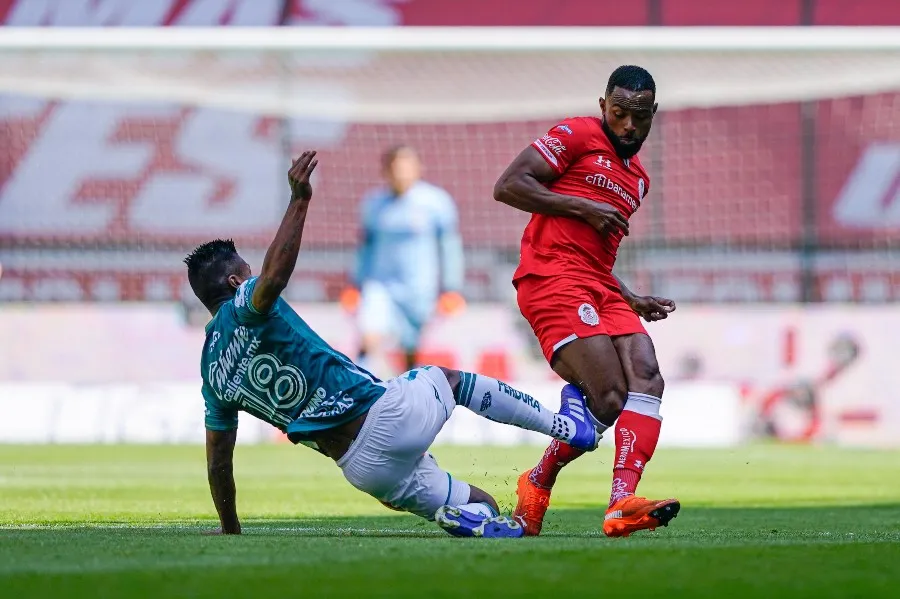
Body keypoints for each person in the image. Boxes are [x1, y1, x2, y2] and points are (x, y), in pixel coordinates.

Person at [186, 151, 599, 539]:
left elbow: (218, 460)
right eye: (248, 273)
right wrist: (299, 201)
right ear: (236, 283)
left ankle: (484, 523)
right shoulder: (245, 304)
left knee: (484, 507)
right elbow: (275, 276)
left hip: (363, 470)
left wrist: (230, 527)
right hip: (383, 418)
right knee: (447, 380)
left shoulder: (211, 372)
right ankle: (568, 428)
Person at [493, 65, 680, 537]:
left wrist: (630, 297)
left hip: (598, 283)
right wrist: (582, 205)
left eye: (640, 117)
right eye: (619, 114)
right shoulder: (577, 134)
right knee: (609, 394)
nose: (628, 127)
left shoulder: (638, 180)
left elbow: (593, 252)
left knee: (646, 373)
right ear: (604, 107)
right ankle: (538, 479)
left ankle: (621, 504)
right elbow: (508, 185)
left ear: (653, 114)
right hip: (551, 277)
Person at [345, 145, 465, 375]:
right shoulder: (373, 204)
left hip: (419, 288)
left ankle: (409, 385)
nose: (401, 171)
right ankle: (358, 383)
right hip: (380, 285)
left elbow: (449, 247)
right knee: (370, 330)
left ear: (418, 168)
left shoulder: (436, 202)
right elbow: (365, 246)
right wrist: (356, 284)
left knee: (410, 345)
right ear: (386, 171)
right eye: (395, 166)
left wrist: (452, 288)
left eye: (406, 165)